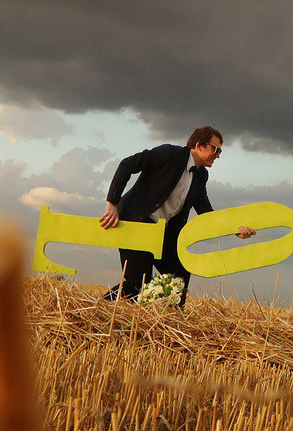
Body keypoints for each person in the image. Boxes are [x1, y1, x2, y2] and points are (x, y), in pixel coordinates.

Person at [100, 125, 254, 305]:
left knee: (179, 273)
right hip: (137, 223)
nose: (218, 154)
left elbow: (206, 213)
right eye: (216, 149)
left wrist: (235, 230)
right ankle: (98, 310)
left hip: (163, 232)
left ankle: (171, 318)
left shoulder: (201, 175)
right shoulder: (168, 153)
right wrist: (112, 203)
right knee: (137, 286)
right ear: (199, 145)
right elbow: (127, 164)